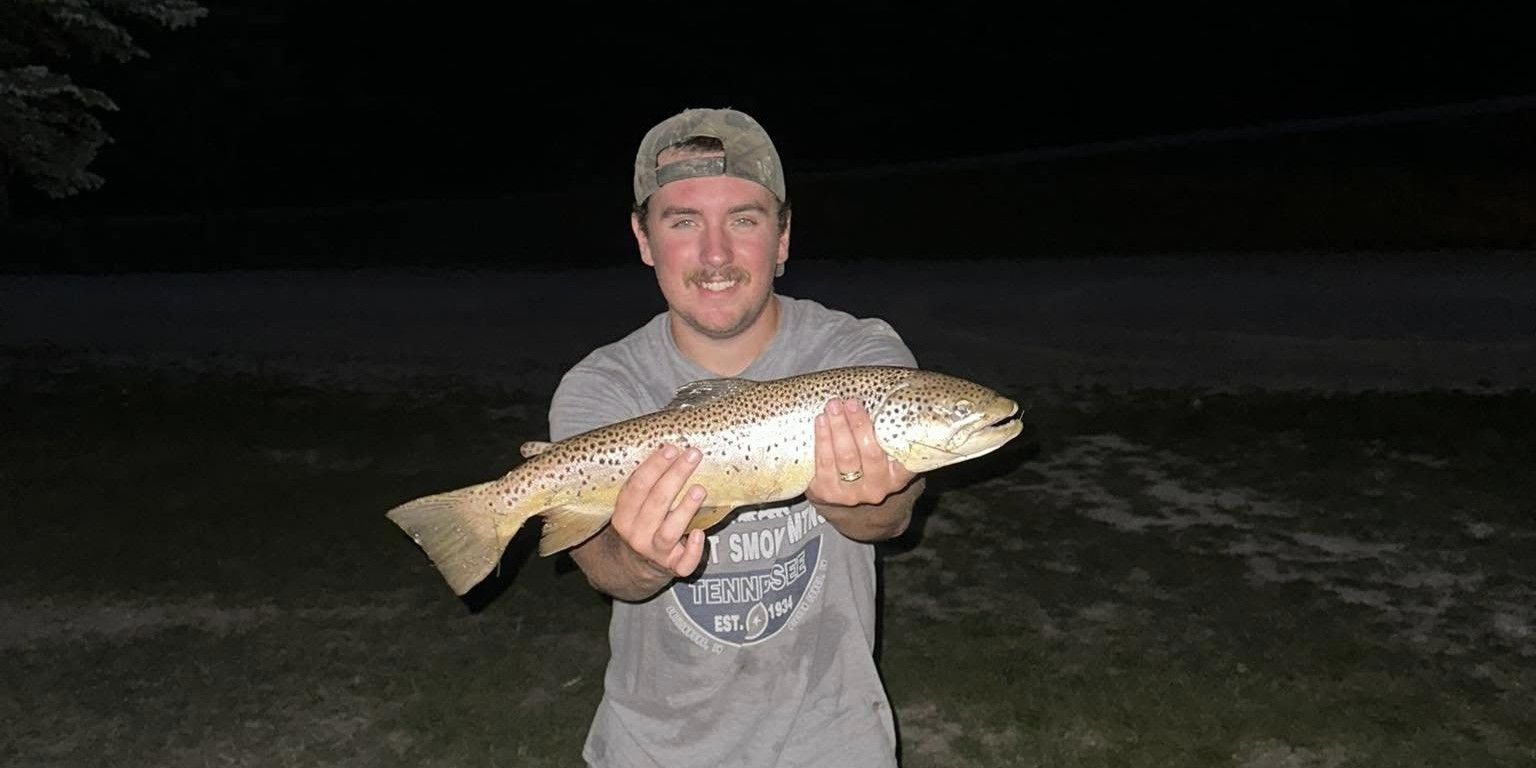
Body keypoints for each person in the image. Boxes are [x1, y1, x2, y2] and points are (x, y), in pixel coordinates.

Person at [548, 106, 925, 768]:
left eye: (744, 221)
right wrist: (643, 558)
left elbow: (892, 516)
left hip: (835, 743)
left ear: (782, 238)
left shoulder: (861, 354)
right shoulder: (600, 387)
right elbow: (603, 565)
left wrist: (863, 499)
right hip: (654, 749)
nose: (715, 254)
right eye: (683, 222)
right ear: (642, 239)